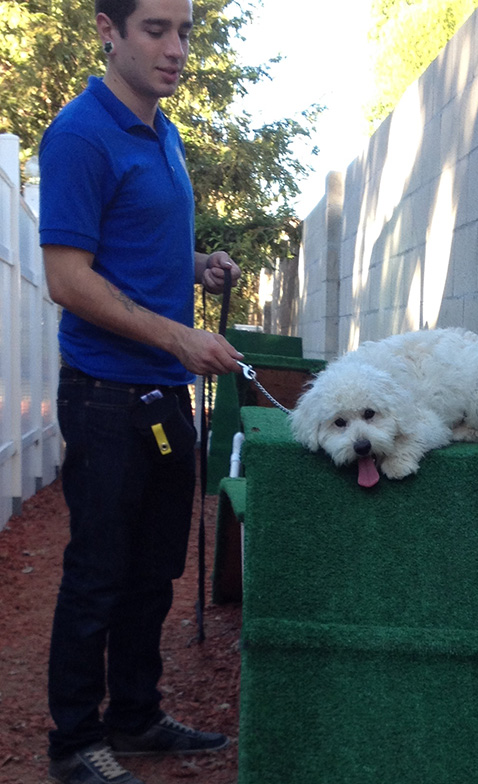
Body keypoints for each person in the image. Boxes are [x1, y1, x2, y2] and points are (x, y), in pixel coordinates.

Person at [38, 1, 244, 782]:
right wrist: (180, 337)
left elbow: (133, 246)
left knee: (154, 573)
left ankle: (134, 718)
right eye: (156, 29)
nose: (176, 48)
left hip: (161, 394)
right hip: (106, 397)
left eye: (185, 32)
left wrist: (199, 267)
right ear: (108, 29)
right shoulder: (82, 134)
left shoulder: (166, 134)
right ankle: (70, 743)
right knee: (98, 574)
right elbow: (67, 277)